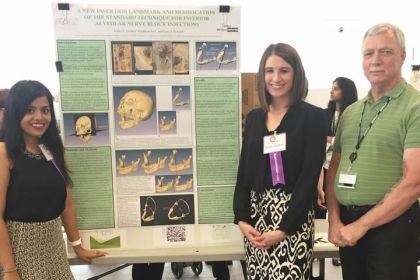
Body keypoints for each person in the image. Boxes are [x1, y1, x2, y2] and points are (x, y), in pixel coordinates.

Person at [325, 22, 420, 280]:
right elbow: (334, 167)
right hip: (348, 227)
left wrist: (362, 225)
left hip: (392, 228)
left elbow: (414, 183)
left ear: (402, 56)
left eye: (386, 52)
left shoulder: (415, 107)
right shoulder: (352, 112)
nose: (375, 60)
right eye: (369, 53)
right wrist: (334, 220)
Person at [233, 43, 327, 279]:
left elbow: (308, 179)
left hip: (292, 220)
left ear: (296, 73)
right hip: (257, 221)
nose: (276, 78)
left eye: (284, 70)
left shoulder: (313, 117)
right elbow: (244, 171)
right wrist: (242, 219)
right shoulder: (255, 118)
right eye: (269, 71)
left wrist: (284, 229)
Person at [0, 80, 107, 279]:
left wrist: (77, 246)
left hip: (54, 250)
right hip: (19, 255)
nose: (39, 117)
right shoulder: (4, 153)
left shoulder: (54, 150)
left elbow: (67, 203)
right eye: (29, 110)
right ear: (15, 113)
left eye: (45, 110)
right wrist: (9, 269)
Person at [315, 77, 358, 266]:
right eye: (331, 88)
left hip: (345, 169)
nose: (331, 92)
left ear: (346, 91)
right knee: (320, 205)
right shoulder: (326, 114)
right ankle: (317, 245)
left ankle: (338, 250)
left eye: (336, 89)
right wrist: (331, 140)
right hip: (324, 166)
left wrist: (332, 141)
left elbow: (349, 143)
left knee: (340, 208)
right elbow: (319, 137)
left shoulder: (355, 114)